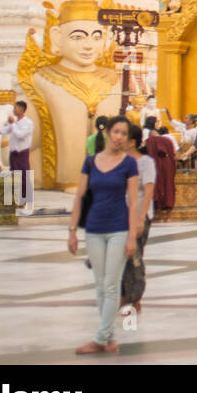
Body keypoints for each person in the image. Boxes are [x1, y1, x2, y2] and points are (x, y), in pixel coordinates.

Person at [68, 115, 140, 354]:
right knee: (100, 285)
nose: (119, 137)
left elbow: (132, 202)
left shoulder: (129, 164)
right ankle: (108, 339)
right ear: (108, 132)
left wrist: (132, 236)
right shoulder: (90, 162)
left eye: (124, 134)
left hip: (119, 228)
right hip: (94, 229)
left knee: (111, 285)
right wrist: (72, 231)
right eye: (116, 132)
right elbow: (79, 196)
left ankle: (100, 338)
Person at [120, 123, 156, 314]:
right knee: (118, 257)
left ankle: (134, 298)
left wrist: (142, 218)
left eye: (122, 135)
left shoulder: (145, 163)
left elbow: (148, 190)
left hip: (138, 215)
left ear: (132, 141)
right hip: (119, 216)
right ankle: (121, 296)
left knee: (134, 257)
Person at [0, 101, 35, 210]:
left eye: (16, 108)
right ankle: (15, 200)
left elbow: (20, 135)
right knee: (14, 176)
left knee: (23, 177)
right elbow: (5, 130)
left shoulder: (28, 123)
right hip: (13, 153)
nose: (14, 110)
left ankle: (23, 202)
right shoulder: (16, 123)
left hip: (22, 153)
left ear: (21, 109)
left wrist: (13, 124)